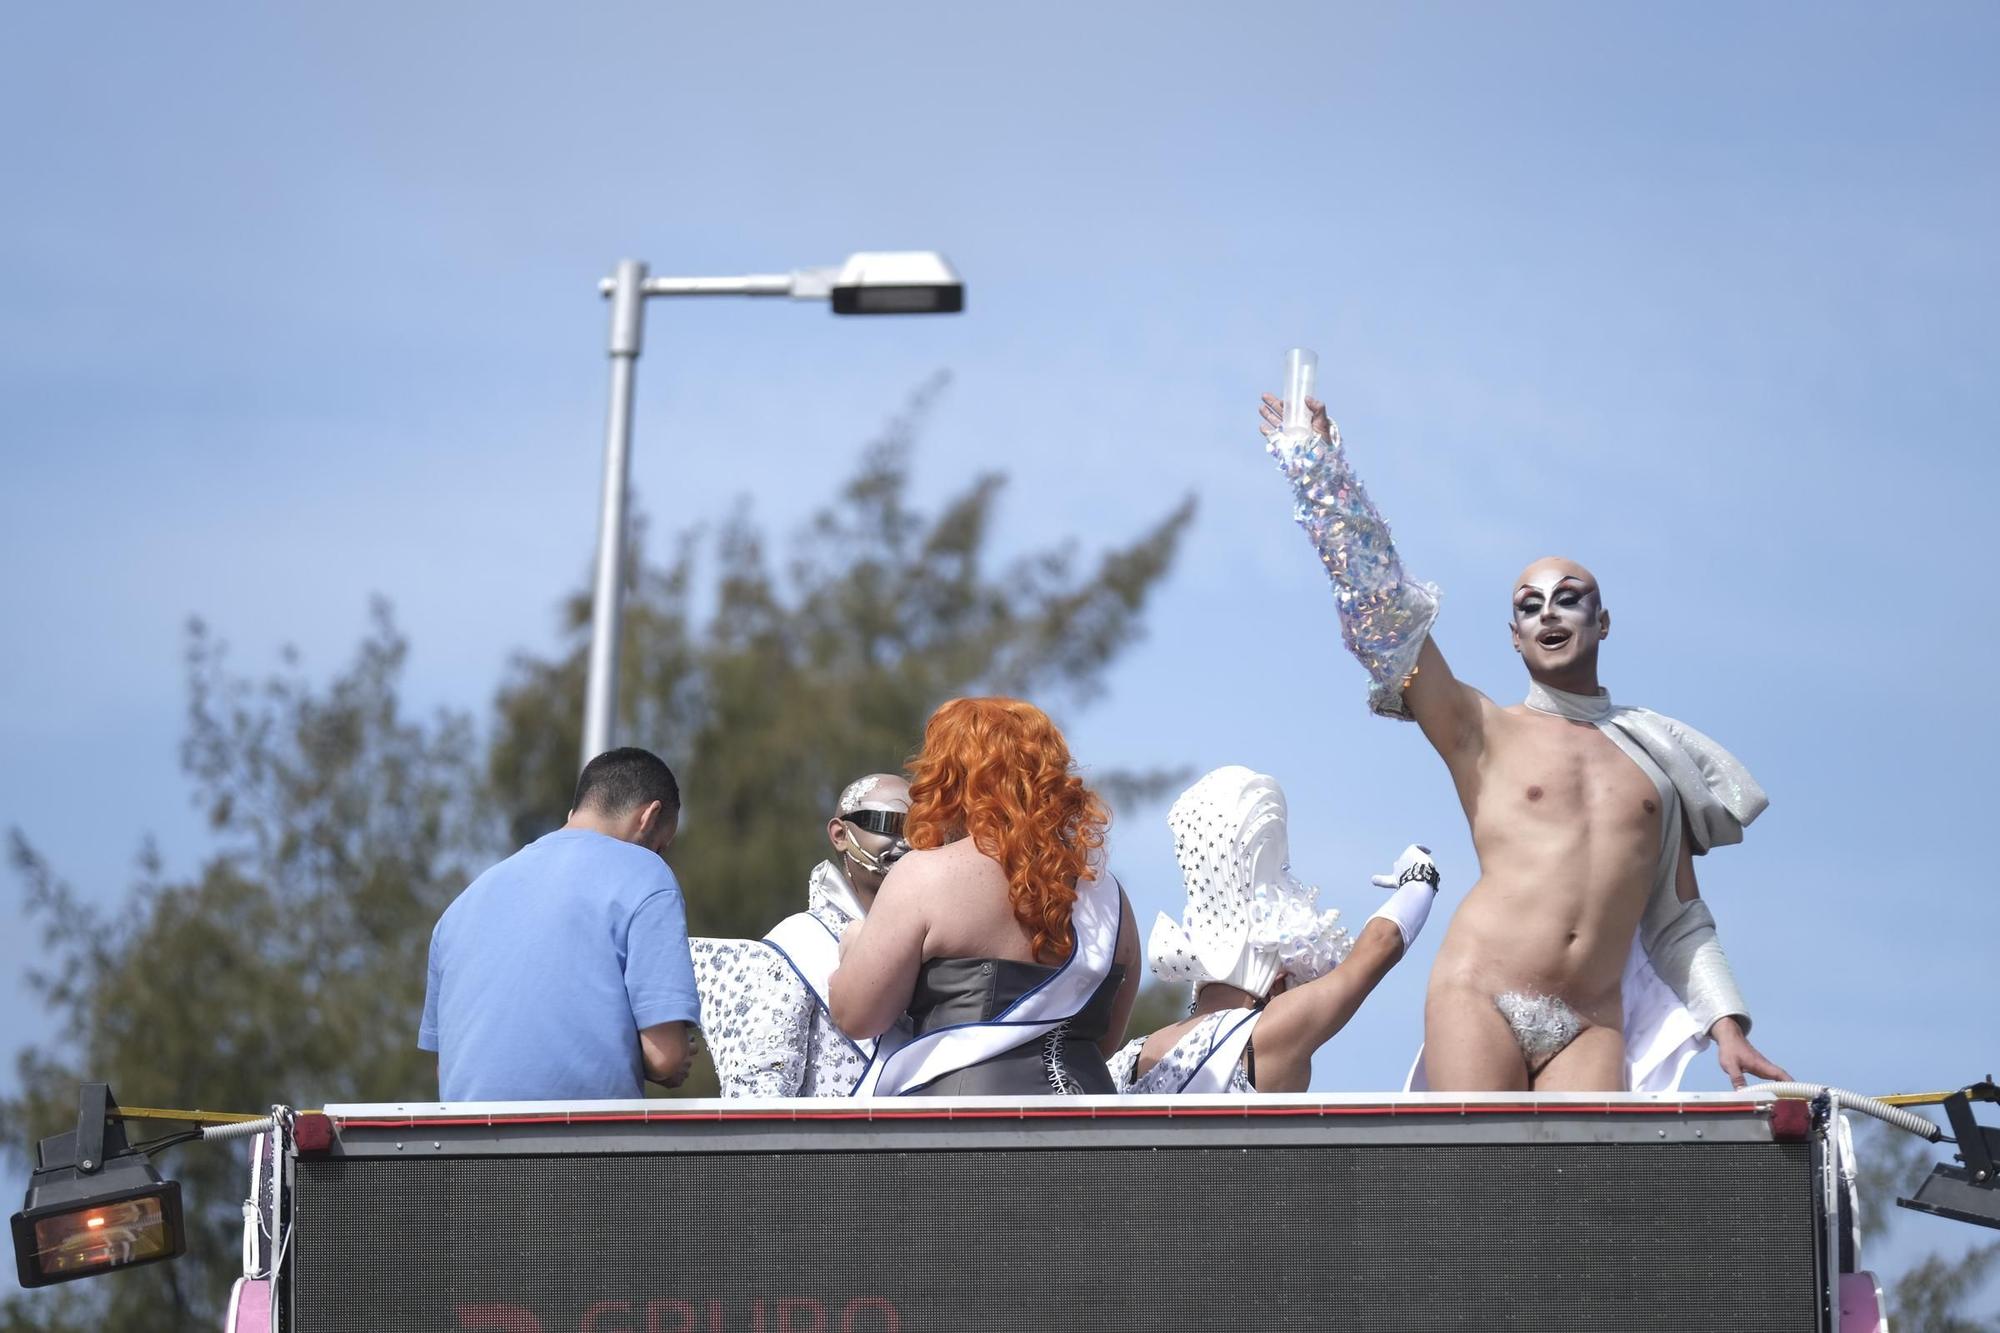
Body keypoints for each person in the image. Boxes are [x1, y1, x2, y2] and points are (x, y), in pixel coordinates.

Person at [1258, 393, 1789, 1092]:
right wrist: (1319, 470)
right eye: (1528, 606)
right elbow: (1385, 615)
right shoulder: (1483, 729)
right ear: (1514, 637)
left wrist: (1728, 1024)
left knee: (1580, 1199)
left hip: (1591, 1020)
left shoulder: (1654, 761)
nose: (1548, 614)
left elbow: (1678, 917)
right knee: (1481, 1184)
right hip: (1482, 988)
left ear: (1603, 622)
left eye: (1568, 598)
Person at [829, 698, 1142, 1095]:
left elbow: (857, 1016)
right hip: (1092, 1134)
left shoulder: (925, 875)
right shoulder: (1113, 897)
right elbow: (1103, 1041)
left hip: (969, 1138)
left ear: (947, 780)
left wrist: (854, 948)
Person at [1110, 766, 1438, 1094]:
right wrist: (1420, 878)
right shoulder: (1271, 1032)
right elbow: (1382, 943)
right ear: (1277, 979)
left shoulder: (1127, 1060)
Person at [419, 747, 699, 1101]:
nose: (657, 856)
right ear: (649, 816)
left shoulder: (459, 908)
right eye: (660, 846)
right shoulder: (647, 873)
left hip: (466, 1148)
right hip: (580, 1147)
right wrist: (673, 1056)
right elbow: (664, 1056)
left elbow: (450, 1068)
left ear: (574, 813)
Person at [690, 773, 913, 1097]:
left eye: (920, 829)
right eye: (889, 824)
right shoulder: (796, 944)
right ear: (840, 834)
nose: (908, 842)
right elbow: (760, 1102)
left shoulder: (931, 947)